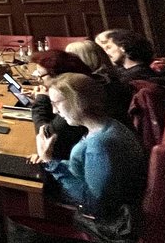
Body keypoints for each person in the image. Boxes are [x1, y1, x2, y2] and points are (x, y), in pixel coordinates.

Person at [32, 73, 146, 223]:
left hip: (95, 217)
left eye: (56, 103)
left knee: (25, 188)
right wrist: (53, 162)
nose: (54, 111)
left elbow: (94, 203)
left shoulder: (100, 145)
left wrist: (50, 161)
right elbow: (86, 170)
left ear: (78, 101)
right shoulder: (109, 124)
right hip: (96, 199)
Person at [28, 50, 95, 161]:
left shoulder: (74, 102)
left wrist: (41, 99)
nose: (39, 81)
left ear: (57, 75)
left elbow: (46, 135)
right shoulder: (85, 86)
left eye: (41, 76)